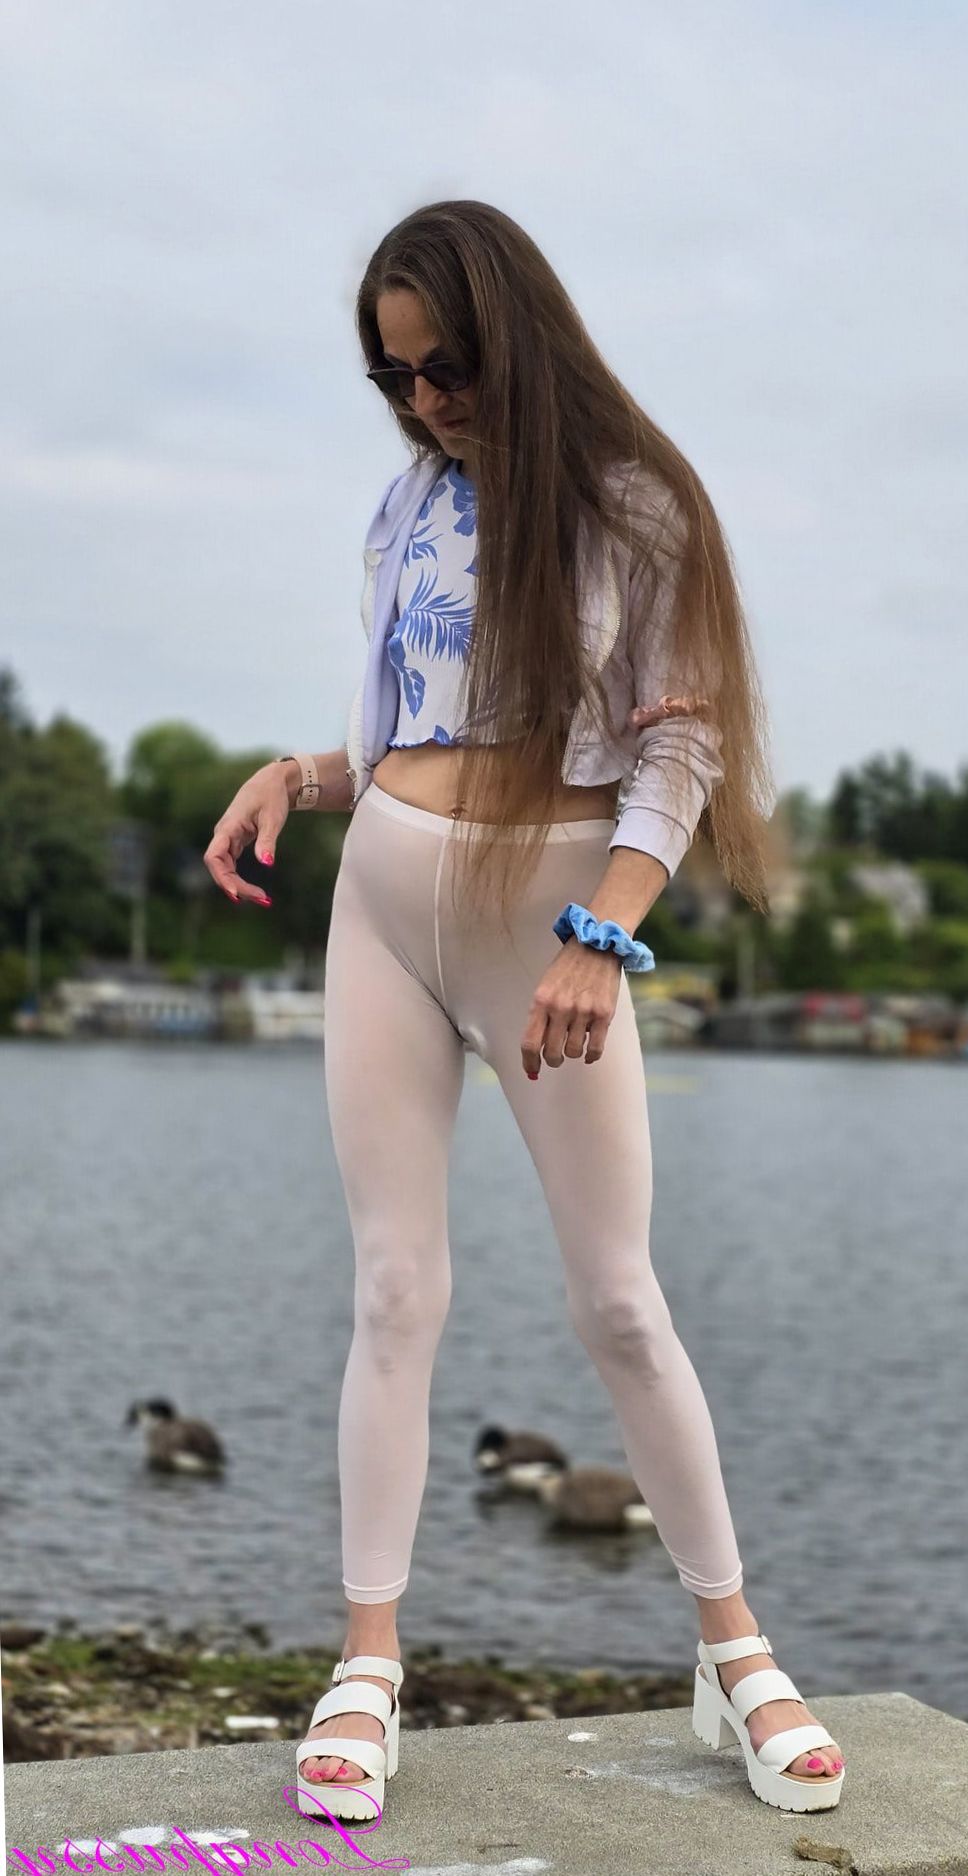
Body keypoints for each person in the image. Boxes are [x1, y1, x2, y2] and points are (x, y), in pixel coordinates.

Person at [204, 199, 845, 1823]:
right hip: (381, 907)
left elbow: (675, 747)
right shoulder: (407, 504)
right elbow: (426, 733)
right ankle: (367, 1663)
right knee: (393, 1288)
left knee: (617, 1299)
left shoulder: (631, 506)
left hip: (548, 919)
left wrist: (599, 937)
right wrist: (300, 776)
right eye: (395, 377)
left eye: (450, 367)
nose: (426, 403)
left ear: (521, 338)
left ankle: (734, 1650)